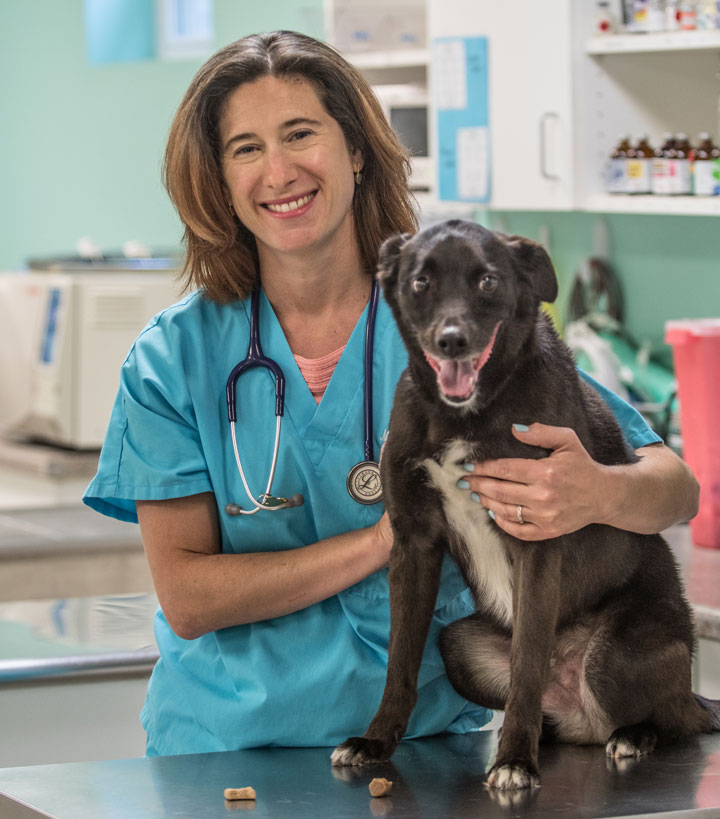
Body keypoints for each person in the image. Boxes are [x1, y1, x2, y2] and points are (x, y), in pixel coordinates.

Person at [83, 30, 699, 758]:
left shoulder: (447, 308)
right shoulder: (173, 359)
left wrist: (592, 492)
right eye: (245, 148)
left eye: (300, 134)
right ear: (218, 178)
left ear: (355, 151)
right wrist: (392, 536)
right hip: (224, 751)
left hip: (427, 752)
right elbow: (188, 597)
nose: (278, 171)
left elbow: (673, 487)